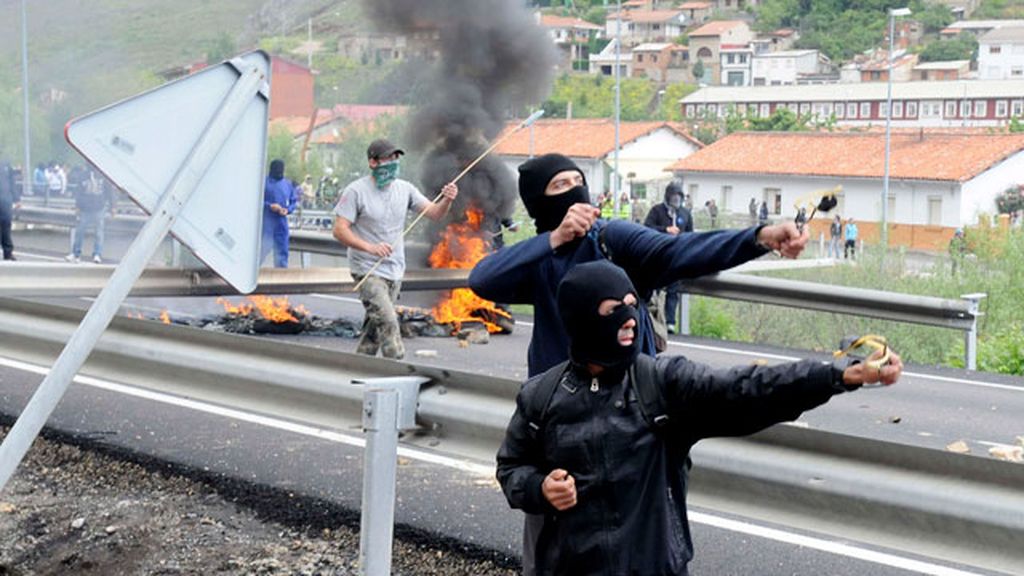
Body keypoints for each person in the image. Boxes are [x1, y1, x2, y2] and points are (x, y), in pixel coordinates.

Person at [497, 260, 902, 576]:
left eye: (632, 306)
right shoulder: (541, 396)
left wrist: (837, 375)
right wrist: (539, 488)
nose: (629, 319)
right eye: (612, 309)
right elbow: (511, 467)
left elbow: (746, 387)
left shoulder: (661, 384)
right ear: (581, 319)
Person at [469, 153, 808, 378]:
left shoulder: (612, 238)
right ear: (539, 204)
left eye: (578, 181)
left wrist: (760, 237)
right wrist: (555, 239)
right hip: (558, 397)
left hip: (626, 399)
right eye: (560, 185)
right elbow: (483, 279)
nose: (574, 191)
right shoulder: (539, 257)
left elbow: (678, 250)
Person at [333, 139, 458, 360]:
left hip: (394, 269)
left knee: (374, 326)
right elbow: (339, 230)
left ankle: (360, 367)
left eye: (395, 159)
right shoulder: (356, 191)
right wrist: (369, 247)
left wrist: (447, 200)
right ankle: (398, 366)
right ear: (372, 162)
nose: (392, 164)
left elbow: (435, 213)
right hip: (367, 269)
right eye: (387, 159)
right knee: (389, 320)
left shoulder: (405, 189)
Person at [644, 182, 693, 335]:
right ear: (667, 196)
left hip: (676, 258)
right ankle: (652, 321)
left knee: (673, 291)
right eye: (673, 196)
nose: (676, 199)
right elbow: (647, 228)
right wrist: (665, 230)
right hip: (658, 256)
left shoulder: (685, 214)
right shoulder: (657, 211)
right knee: (654, 291)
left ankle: (670, 322)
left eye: (679, 196)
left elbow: (691, 234)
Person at [66, 171, 113, 264]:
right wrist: (77, 206)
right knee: (80, 232)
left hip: (99, 208)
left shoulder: (103, 176)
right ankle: (76, 254)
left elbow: (109, 191)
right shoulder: (83, 175)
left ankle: (97, 254)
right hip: (85, 209)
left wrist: (113, 206)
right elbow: (79, 192)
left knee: (98, 233)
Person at [261, 159, 298, 268]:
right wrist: (269, 206)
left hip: (281, 224)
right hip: (266, 223)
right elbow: (256, 201)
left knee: (282, 253)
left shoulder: (287, 184)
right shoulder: (263, 183)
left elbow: (293, 201)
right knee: (261, 251)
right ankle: (253, 275)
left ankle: (281, 277)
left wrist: (288, 210)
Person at [0, 162, 19, 261]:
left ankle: (8, 252)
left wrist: (17, 199)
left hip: (5, 200)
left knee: (6, 225)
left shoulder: (6, 165)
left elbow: (12, 183)